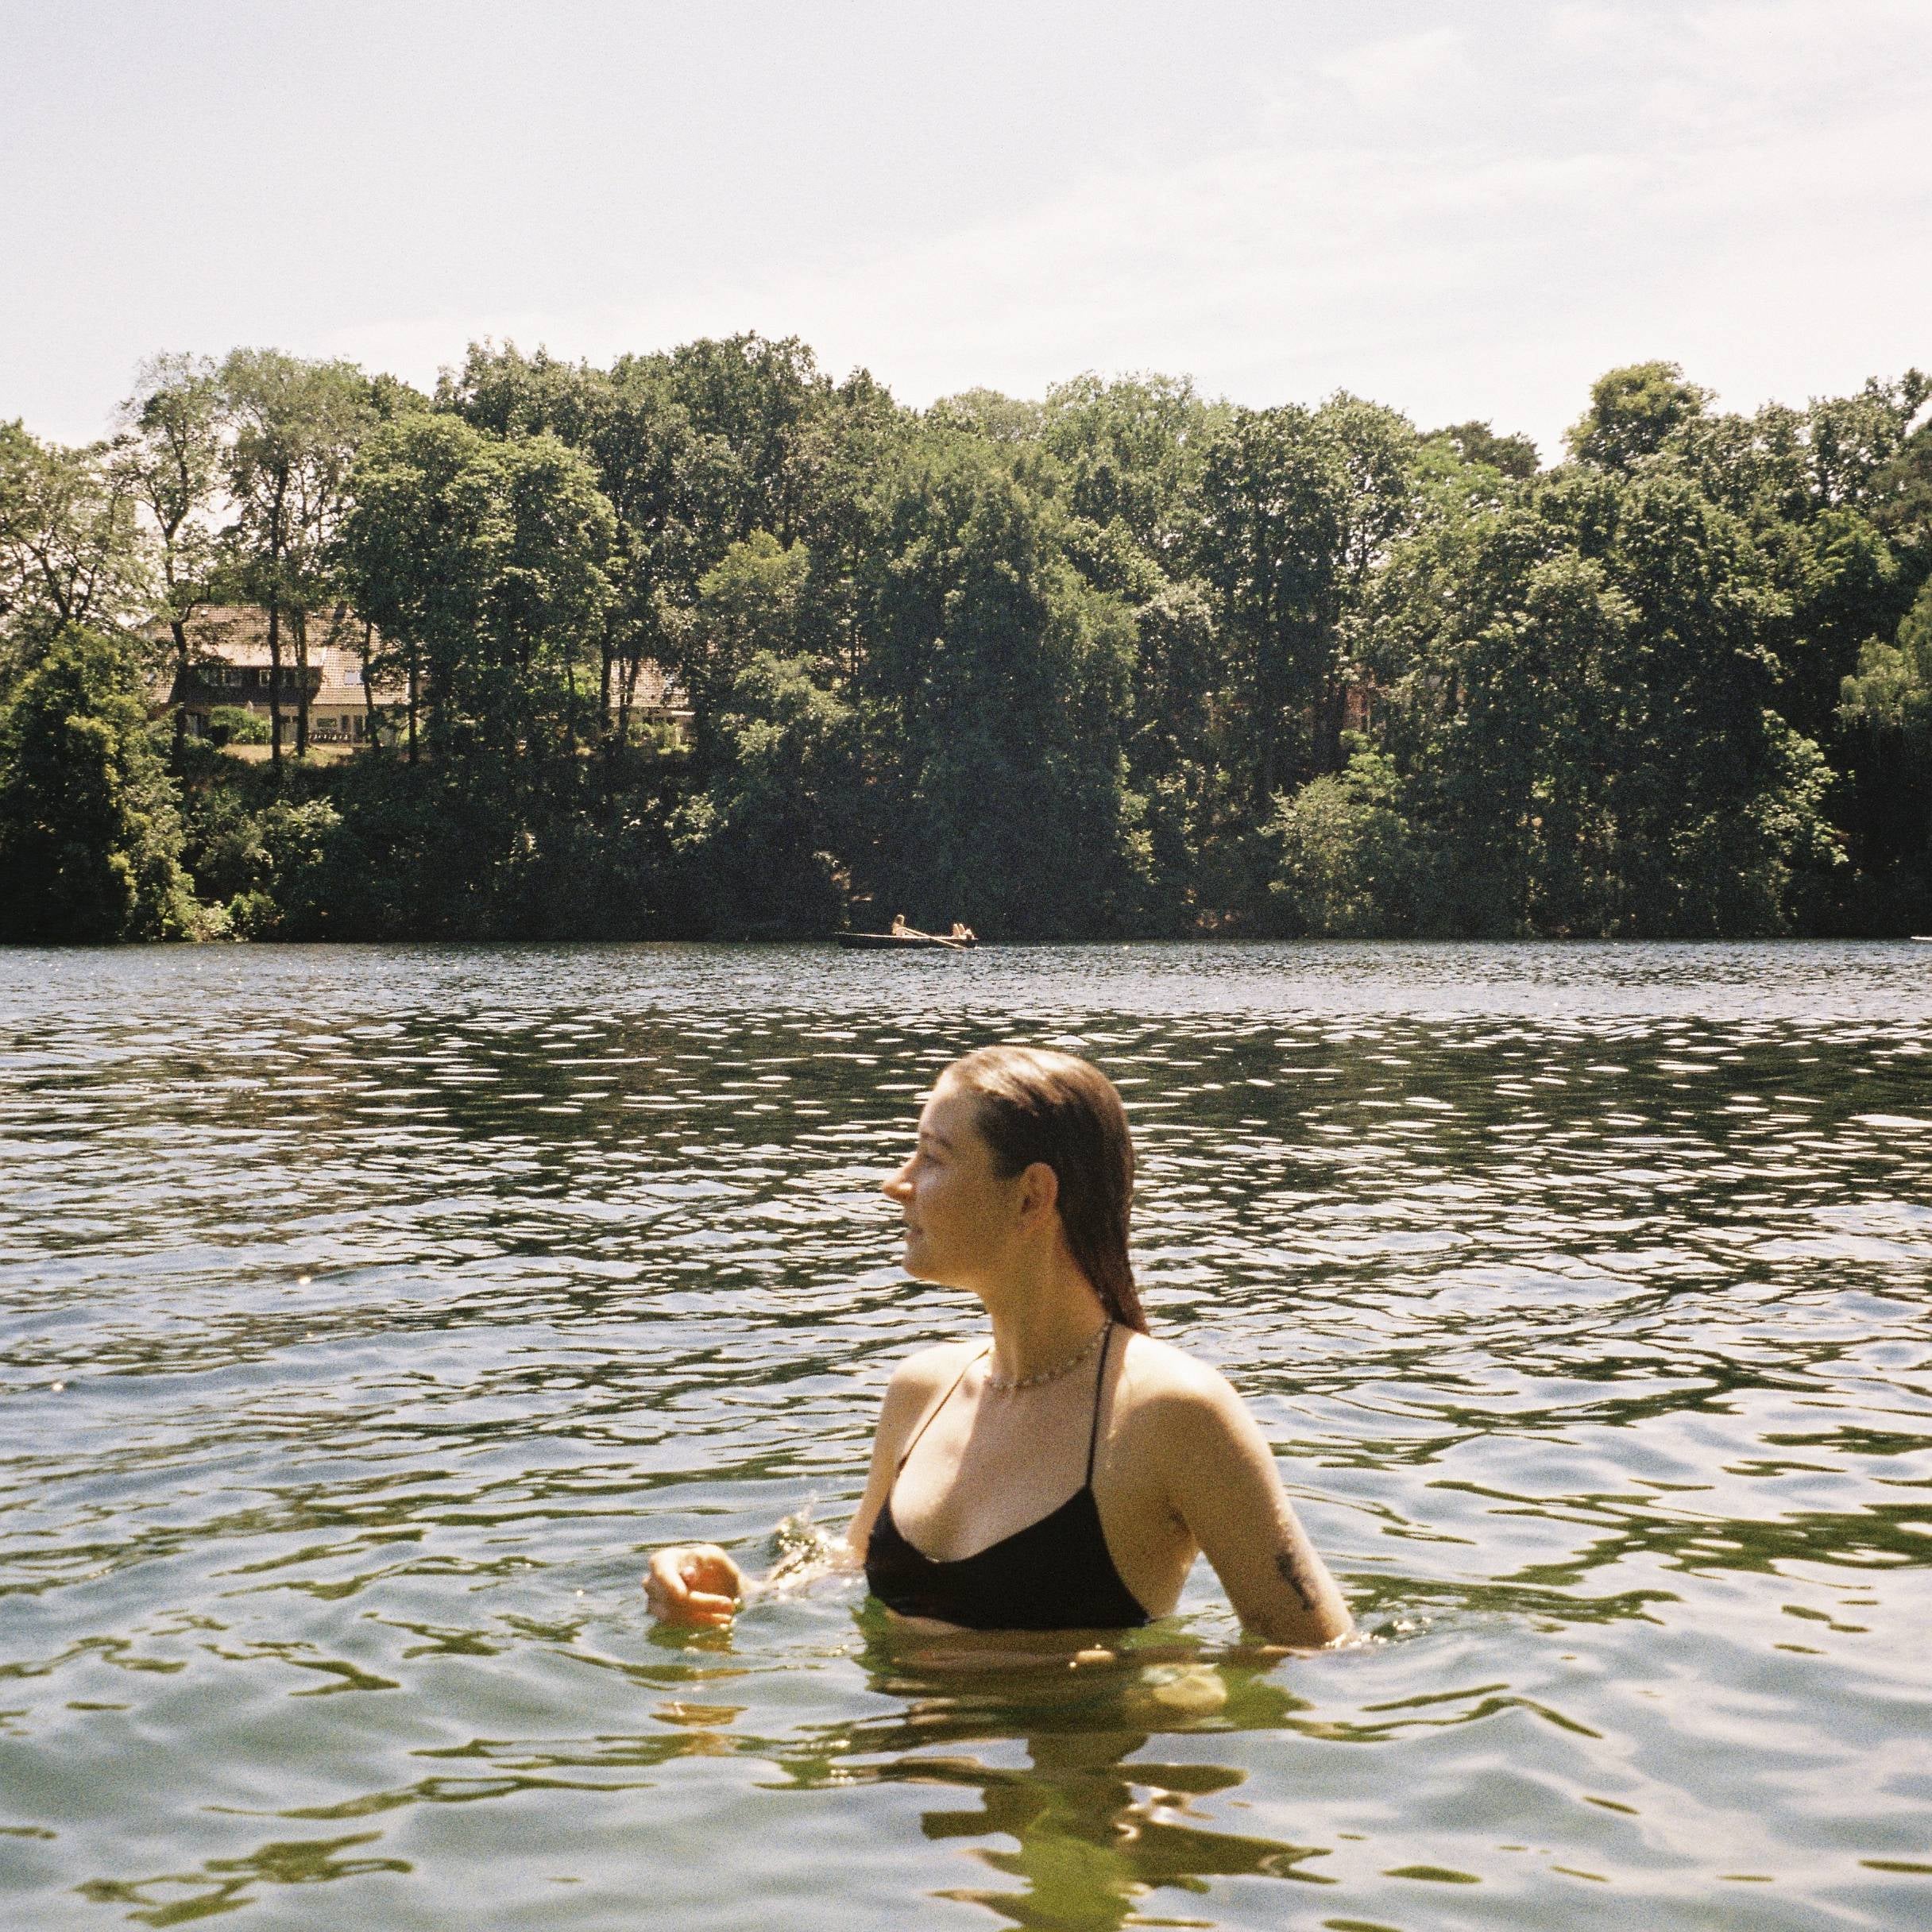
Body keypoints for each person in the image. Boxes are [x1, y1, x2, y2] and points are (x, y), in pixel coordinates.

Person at [644, 1046, 1351, 1645]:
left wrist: (1160, 1687)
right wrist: (745, 1589)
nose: (897, 1185)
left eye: (932, 1158)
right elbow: (857, 1566)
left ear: (1030, 1198)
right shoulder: (921, 1389)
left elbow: (1322, 1655)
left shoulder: (1170, 1413)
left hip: (1061, 1794)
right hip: (897, 1785)